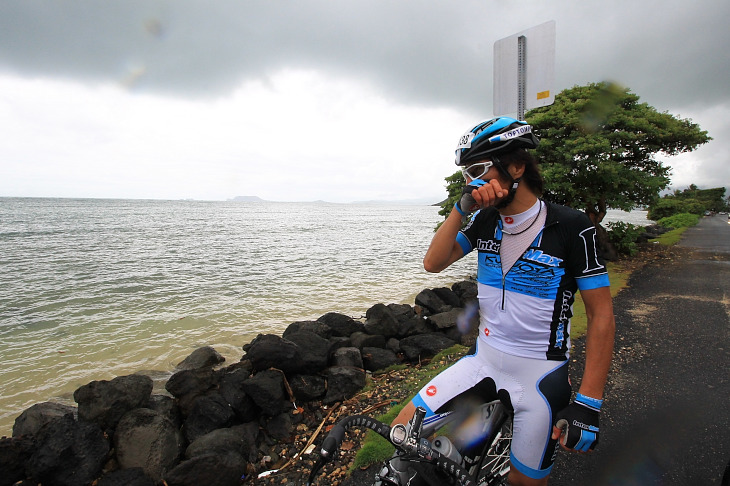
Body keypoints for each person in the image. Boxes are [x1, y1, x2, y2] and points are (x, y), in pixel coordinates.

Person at [388, 117, 616, 486]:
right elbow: (433, 263)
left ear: (516, 167)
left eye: (478, 170)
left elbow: (601, 315)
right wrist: (462, 208)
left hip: (540, 374)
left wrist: (589, 403)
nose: (472, 181)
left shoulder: (571, 226)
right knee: (404, 432)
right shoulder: (486, 222)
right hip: (484, 359)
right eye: (466, 174)